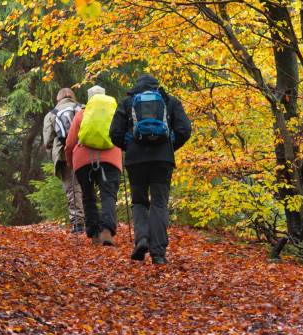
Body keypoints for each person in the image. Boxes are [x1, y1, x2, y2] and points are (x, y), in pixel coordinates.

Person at [109, 74, 192, 264]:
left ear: (136, 86)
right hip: (162, 160)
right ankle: (158, 253)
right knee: (159, 203)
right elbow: (185, 129)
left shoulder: (127, 102)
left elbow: (114, 133)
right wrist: (171, 145)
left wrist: (127, 145)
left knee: (139, 201)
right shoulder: (169, 101)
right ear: (157, 86)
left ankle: (142, 239)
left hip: (135, 160)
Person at [65, 86, 123, 246]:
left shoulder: (81, 114)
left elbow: (69, 144)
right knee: (108, 194)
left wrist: (71, 163)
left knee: (88, 196)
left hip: (83, 161)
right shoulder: (114, 114)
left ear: (89, 98)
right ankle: (107, 231)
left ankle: (94, 233)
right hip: (110, 159)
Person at [42, 87, 84, 234]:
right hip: (85, 151)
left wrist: (53, 156)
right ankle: (92, 220)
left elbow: (47, 141)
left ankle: (78, 224)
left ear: (58, 99)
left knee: (72, 189)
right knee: (88, 187)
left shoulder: (51, 115)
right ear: (73, 96)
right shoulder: (82, 108)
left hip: (64, 155)